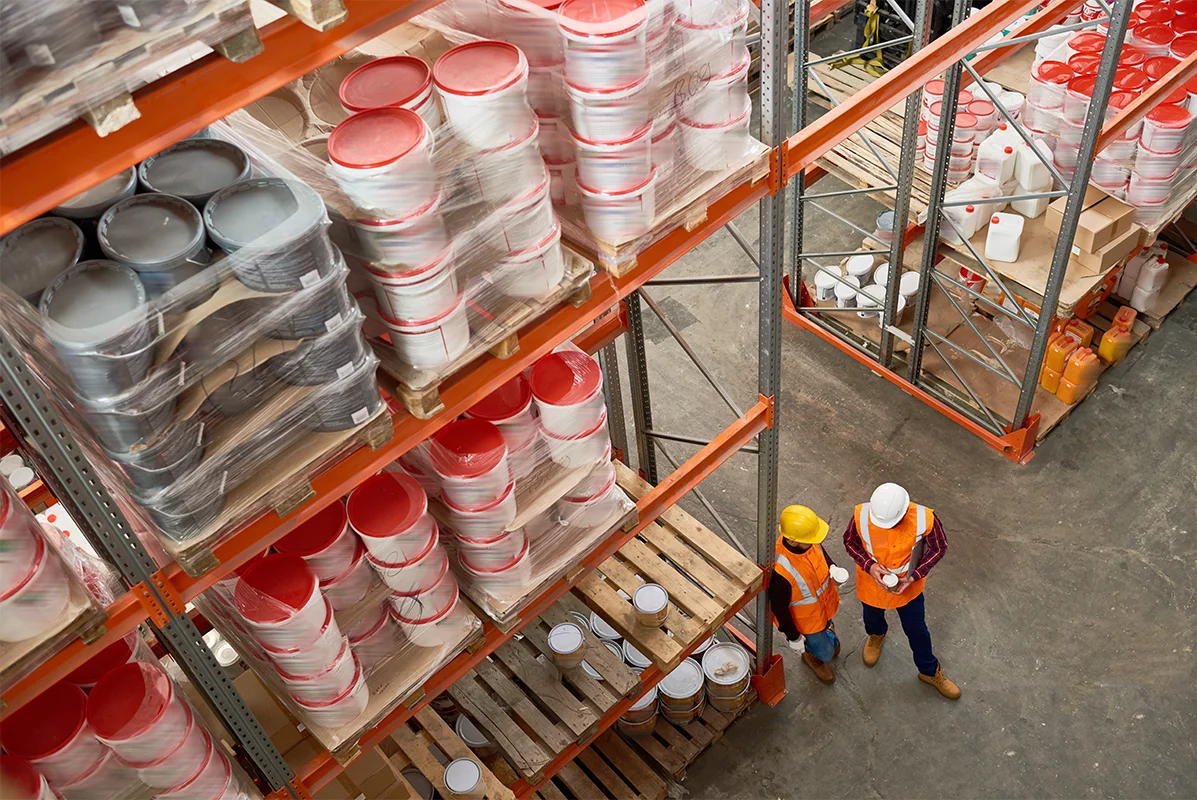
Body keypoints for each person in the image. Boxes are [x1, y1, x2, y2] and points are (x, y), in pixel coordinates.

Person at [843, 482, 961, 700]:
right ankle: (876, 635)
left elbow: (939, 547)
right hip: (872, 585)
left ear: (905, 511)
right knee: (872, 618)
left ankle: (929, 671)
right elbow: (850, 542)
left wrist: (915, 576)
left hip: (908, 588)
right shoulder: (862, 514)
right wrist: (869, 565)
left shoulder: (925, 519)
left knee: (917, 631)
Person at [770, 505, 850, 683]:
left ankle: (826, 632)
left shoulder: (807, 541)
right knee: (828, 653)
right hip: (807, 624)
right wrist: (794, 637)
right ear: (792, 541)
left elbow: (821, 552)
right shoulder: (780, 572)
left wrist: (832, 567)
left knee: (830, 636)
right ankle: (810, 656)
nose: (815, 542)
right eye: (811, 539)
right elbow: (779, 609)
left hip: (825, 606)